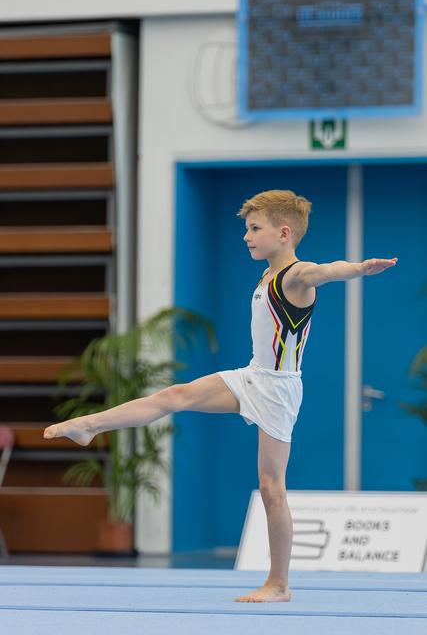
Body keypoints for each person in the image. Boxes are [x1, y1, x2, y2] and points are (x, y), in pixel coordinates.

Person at [43, 189, 397, 603]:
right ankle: (90, 424)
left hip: (279, 388)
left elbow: (324, 271)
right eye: (246, 228)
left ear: (284, 233)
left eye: (254, 228)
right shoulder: (266, 275)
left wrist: (357, 268)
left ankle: (279, 584)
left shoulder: (295, 275)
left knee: (271, 488)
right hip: (253, 375)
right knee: (175, 394)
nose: (246, 236)